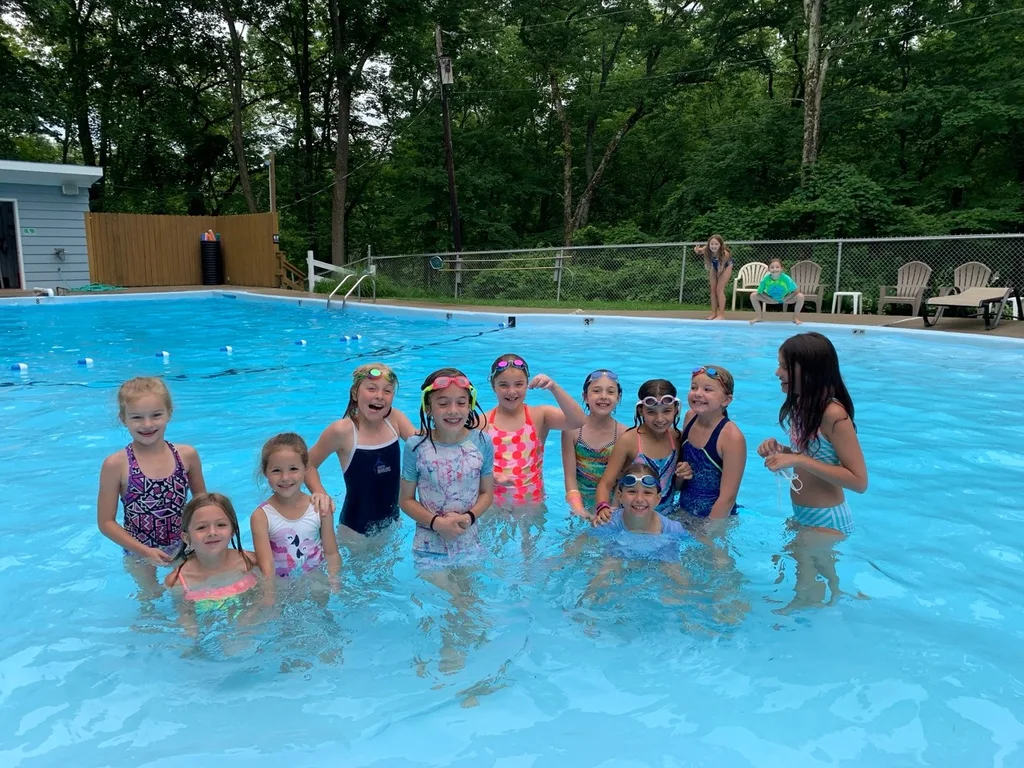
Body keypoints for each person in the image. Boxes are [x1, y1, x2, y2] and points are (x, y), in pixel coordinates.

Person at [757, 332, 869, 611]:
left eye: (784, 366)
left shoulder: (834, 415)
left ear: (808, 370)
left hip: (829, 519)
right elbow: (812, 454)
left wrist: (800, 461)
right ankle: (826, 603)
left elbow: (859, 481)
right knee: (812, 575)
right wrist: (782, 451)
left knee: (807, 581)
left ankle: (807, 614)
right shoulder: (803, 405)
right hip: (804, 515)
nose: (777, 372)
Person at [97, 378, 206, 591]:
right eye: (137, 417)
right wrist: (144, 551)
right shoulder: (116, 464)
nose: (147, 425)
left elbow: (203, 504)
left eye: (156, 415)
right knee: (150, 597)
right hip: (138, 550)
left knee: (190, 594)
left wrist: (199, 537)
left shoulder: (187, 455)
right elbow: (106, 522)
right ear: (123, 418)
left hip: (184, 544)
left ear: (169, 413)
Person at [305, 363, 417, 536]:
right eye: (371, 389)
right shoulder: (341, 431)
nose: (379, 396)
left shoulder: (395, 420)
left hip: (393, 523)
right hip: (355, 531)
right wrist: (319, 492)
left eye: (387, 391)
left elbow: (423, 445)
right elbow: (306, 465)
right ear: (355, 393)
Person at [399, 368, 494, 568]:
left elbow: (487, 494)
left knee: (468, 589)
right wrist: (437, 523)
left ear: (470, 405)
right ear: (428, 408)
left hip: (469, 541)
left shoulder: (482, 441)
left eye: (461, 402)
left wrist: (468, 517)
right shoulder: (416, 445)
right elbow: (406, 500)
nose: (453, 410)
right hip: (428, 546)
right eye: (443, 403)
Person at [485, 354, 586, 510]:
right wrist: (491, 475)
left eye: (519, 384)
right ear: (493, 386)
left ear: (527, 384)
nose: (512, 391)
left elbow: (579, 421)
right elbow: (468, 465)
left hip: (532, 504)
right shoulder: (483, 422)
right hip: (493, 506)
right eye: (503, 385)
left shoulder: (539, 416)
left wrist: (554, 388)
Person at [251, 433, 342, 589]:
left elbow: (331, 553)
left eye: (293, 469)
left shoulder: (320, 507)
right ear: (265, 472)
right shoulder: (261, 516)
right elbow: (267, 567)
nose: (285, 477)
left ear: (305, 469)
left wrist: (334, 580)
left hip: (317, 584)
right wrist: (269, 595)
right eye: (276, 470)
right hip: (283, 588)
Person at [594, 379, 682, 521]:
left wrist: (683, 474)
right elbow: (605, 484)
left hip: (666, 517)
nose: (660, 419)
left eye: (666, 411)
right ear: (641, 411)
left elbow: (677, 486)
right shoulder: (629, 441)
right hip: (629, 516)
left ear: (676, 409)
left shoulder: (677, 438)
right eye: (651, 412)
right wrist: (602, 507)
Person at [164, 493, 261, 616]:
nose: (212, 532)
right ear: (187, 538)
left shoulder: (251, 562)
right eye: (201, 527)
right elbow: (187, 622)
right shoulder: (177, 582)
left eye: (221, 525)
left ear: (233, 531)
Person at [676, 366, 746, 521]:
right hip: (683, 509)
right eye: (694, 387)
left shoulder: (731, 437)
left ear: (726, 400)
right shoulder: (690, 417)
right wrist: (681, 474)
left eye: (707, 390)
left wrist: (708, 529)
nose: (697, 393)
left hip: (717, 519)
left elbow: (728, 498)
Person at [560, 369, 628, 518]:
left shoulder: (625, 434)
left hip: (612, 507)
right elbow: (570, 479)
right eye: (596, 391)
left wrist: (613, 509)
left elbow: (622, 480)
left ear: (618, 397)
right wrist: (579, 511)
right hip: (580, 503)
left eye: (610, 392)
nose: (603, 396)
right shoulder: (571, 431)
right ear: (585, 397)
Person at [750, 258, 805, 324]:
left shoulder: (786, 278)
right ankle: (759, 317)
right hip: (771, 299)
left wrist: (786, 298)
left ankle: (795, 318)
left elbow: (796, 291)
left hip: (785, 299)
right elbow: (760, 292)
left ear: (781, 269)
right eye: (772, 267)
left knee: (800, 296)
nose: (775, 269)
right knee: (753, 295)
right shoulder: (765, 279)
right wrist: (769, 299)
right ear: (768, 269)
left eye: (777, 267)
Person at [693, 234, 733, 321]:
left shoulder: (724, 254)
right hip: (715, 266)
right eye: (712, 244)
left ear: (720, 245)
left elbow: (721, 269)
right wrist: (696, 249)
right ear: (709, 244)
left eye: (716, 244)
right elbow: (699, 251)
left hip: (726, 267)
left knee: (719, 289)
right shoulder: (707, 249)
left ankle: (721, 315)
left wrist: (718, 277)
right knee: (712, 290)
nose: (713, 246)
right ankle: (714, 314)